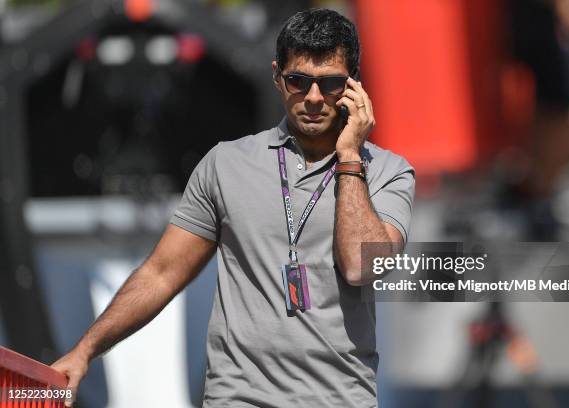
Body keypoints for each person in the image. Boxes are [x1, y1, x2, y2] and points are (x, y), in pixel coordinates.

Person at [52, 8, 415, 407]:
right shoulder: (225, 164)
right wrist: (85, 350)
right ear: (278, 76)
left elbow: (361, 267)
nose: (313, 98)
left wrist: (349, 158)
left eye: (330, 84)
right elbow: (161, 273)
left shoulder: (388, 172)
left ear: (353, 86)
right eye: (299, 81)